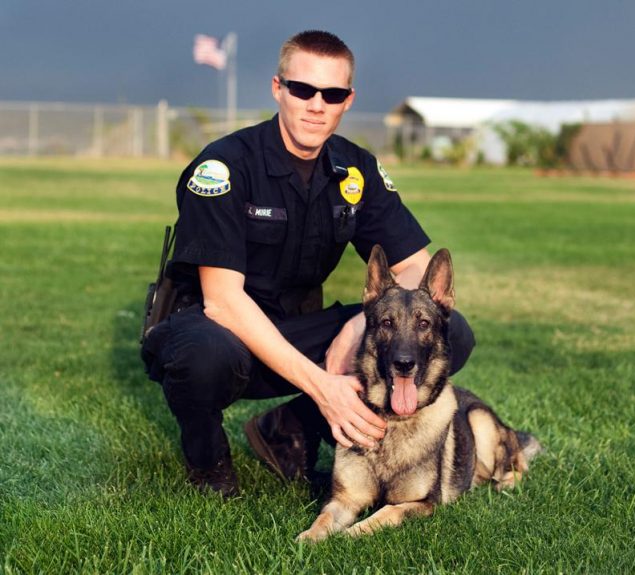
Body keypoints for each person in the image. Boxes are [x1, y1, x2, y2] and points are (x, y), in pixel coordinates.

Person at [142, 30, 475, 498]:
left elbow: (417, 271)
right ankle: (208, 461)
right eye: (303, 89)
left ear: (347, 101)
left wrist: (362, 324)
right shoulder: (224, 166)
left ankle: (286, 429)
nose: (316, 104)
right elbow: (223, 303)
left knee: (449, 330)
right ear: (278, 89)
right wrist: (324, 387)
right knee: (204, 356)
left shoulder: (355, 170)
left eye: (332, 93)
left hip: (294, 328)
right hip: (218, 329)